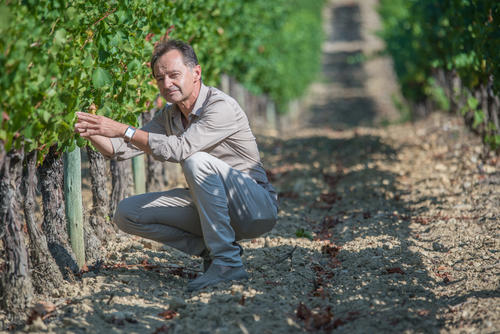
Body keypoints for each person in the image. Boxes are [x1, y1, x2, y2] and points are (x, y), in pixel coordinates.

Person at [74, 39, 278, 291]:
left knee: (195, 160)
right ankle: (213, 252)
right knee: (127, 213)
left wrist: (123, 129)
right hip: (212, 206)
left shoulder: (220, 106)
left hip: (254, 207)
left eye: (174, 75)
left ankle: (228, 264)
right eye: (160, 79)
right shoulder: (170, 115)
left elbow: (181, 148)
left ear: (196, 73)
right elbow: (118, 149)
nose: (167, 84)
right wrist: (85, 125)